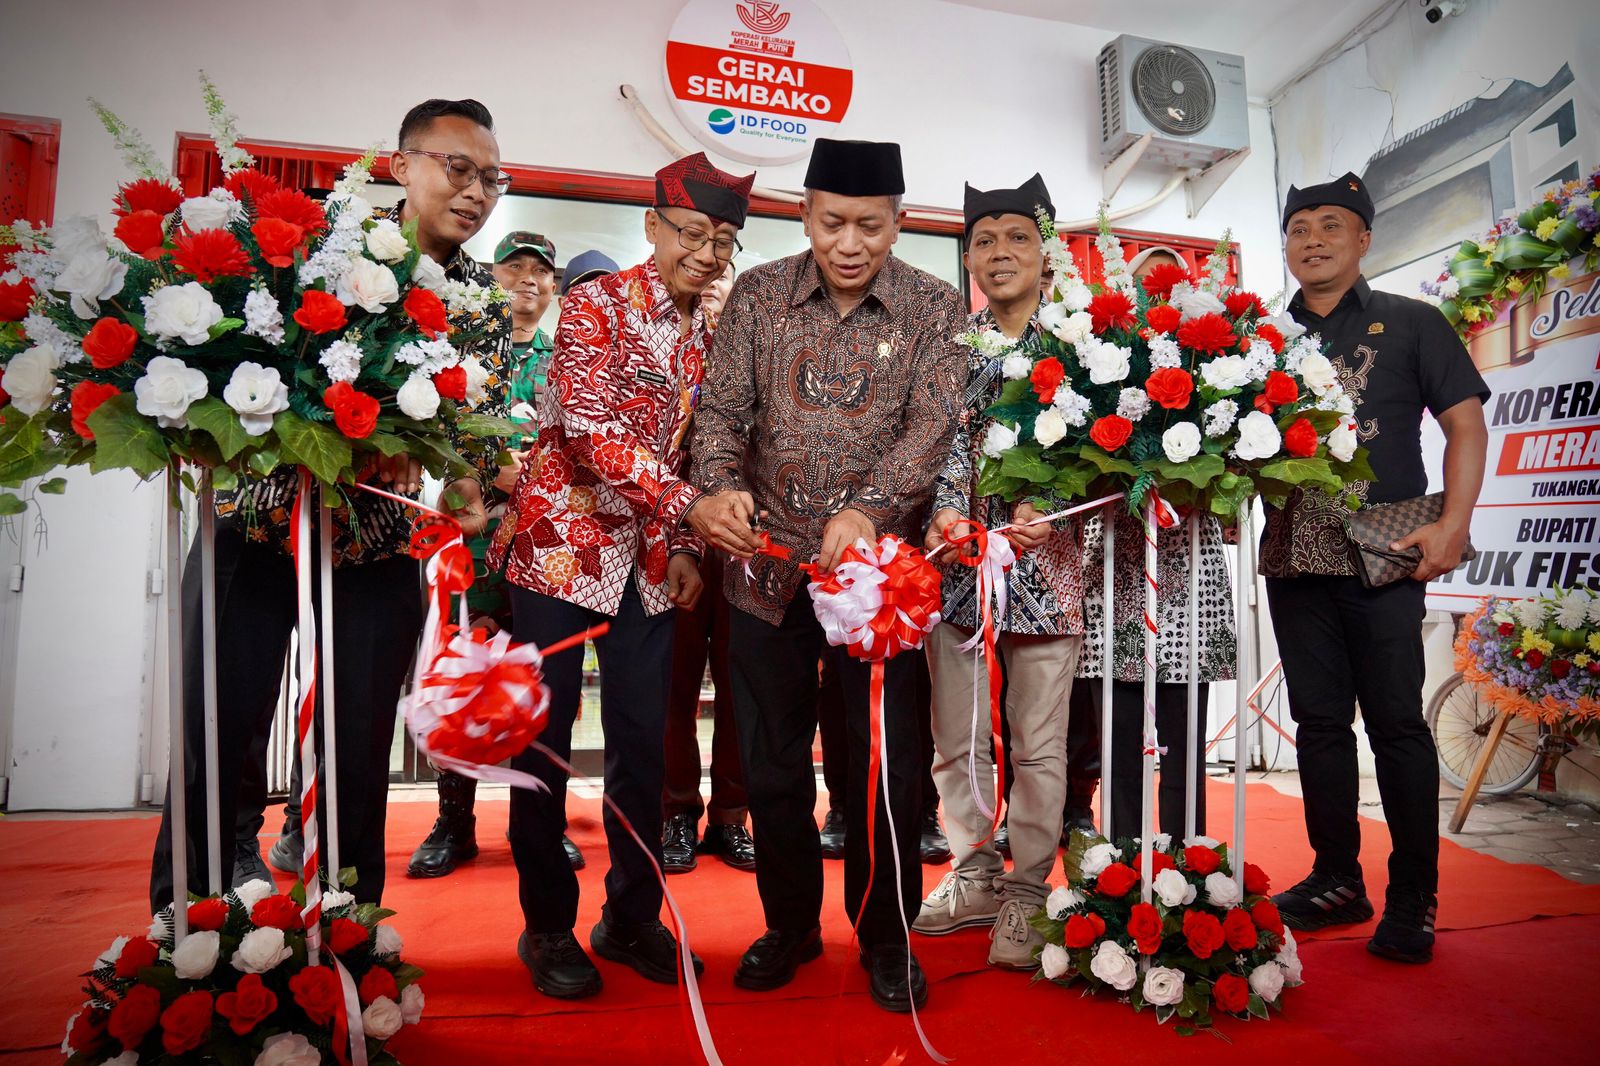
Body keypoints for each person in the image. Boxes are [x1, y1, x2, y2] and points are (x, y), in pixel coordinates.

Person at [150, 97, 512, 909]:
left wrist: (469, 483)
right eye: (458, 169)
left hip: (376, 541)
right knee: (217, 725)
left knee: (356, 745)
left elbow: (475, 426)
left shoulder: (484, 300)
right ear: (402, 166)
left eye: (492, 179)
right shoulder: (325, 250)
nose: (475, 192)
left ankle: (347, 924)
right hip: (253, 522)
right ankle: (191, 920)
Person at [691, 138, 966, 1013]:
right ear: (805, 214)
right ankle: (790, 925)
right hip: (765, 574)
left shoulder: (934, 306)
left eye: (870, 226)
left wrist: (871, 511)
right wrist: (719, 487)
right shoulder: (758, 294)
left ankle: (886, 937)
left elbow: (932, 429)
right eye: (834, 222)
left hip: (878, 587)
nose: (851, 243)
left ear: (899, 223)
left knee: (887, 767)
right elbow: (720, 413)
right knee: (771, 761)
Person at [487, 152, 755, 1000]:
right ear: (652, 227)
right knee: (544, 745)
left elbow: (688, 450)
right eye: (692, 234)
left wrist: (683, 544)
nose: (707, 255)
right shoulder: (596, 303)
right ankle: (546, 926)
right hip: (557, 555)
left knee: (642, 748)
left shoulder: (713, 335)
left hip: (647, 569)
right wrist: (688, 506)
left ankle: (631, 917)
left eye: (723, 242)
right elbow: (587, 427)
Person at [1264, 172, 1488, 965]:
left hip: (1385, 555)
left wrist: (1453, 525)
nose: (1313, 240)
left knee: (1395, 724)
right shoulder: (1261, 338)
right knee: (1319, 725)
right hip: (1294, 556)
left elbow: (1466, 425)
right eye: (1299, 228)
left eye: (1331, 225)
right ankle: (1336, 878)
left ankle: (1414, 895)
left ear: (1364, 238)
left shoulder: (1413, 322)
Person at [914, 175, 1088, 972]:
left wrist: (1054, 507)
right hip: (961, 570)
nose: (1000, 252)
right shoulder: (954, 350)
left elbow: (1103, 454)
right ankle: (975, 873)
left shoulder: (1084, 349)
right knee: (955, 740)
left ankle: (1026, 892)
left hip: (1049, 573)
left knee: (1038, 747)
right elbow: (943, 446)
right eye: (984, 240)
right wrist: (949, 516)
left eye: (1017, 237)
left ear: (1046, 253)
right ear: (968, 258)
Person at [409, 229, 582, 879]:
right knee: (462, 677)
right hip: (471, 542)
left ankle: (541, 825)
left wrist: (531, 478)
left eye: (541, 270)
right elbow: (435, 434)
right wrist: (481, 471)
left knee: (542, 683)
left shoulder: (568, 357)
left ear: (554, 286)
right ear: (492, 277)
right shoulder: (462, 356)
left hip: (544, 544)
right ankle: (454, 823)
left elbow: (582, 443)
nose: (528, 279)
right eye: (514, 268)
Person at [1076, 245, 1237, 847]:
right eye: (1143, 287)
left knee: (1184, 739)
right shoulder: (1095, 364)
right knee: (1117, 739)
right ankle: (1120, 861)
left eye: (1167, 289)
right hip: (1116, 565)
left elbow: (1230, 487)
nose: (1155, 299)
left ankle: (1190, 862)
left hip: (1189, 569)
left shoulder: (1214, 369)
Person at [661, 261, 757, 875]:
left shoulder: (763, 356)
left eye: (728, 280)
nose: (718, 289)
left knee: (741, 687)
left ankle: (731, 816)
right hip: (677, 538)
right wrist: (679, 538)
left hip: (751, 546)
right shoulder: (672, 351)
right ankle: (675, 810)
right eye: (710, 282)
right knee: (672, 683)